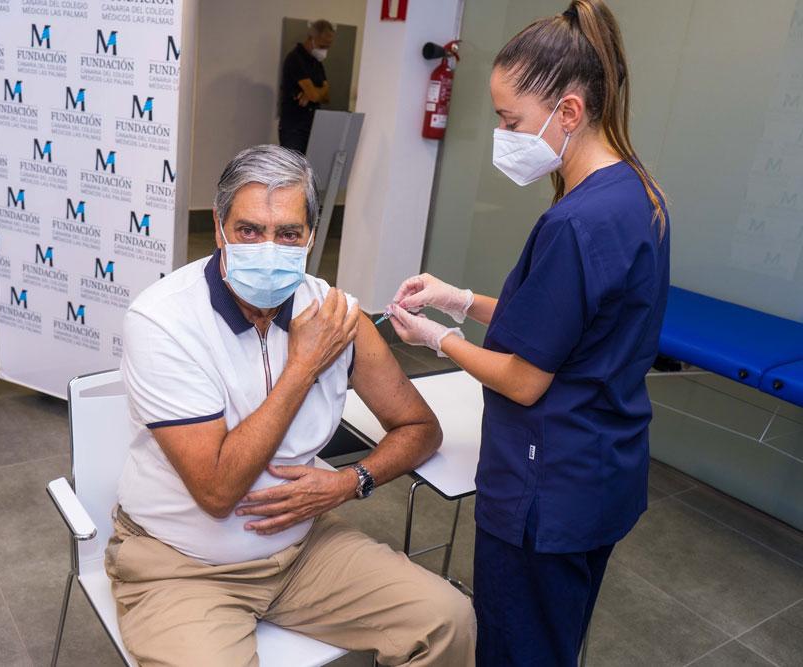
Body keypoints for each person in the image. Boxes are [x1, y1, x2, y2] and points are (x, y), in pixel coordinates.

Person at [109, 144, 474, 667]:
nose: (269, 248)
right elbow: (216, 491)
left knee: (447, 618)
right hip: (181, 564)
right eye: (249, 231)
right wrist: (302, 366)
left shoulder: (336, 315)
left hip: (303, 553)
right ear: (219, 229)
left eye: (288, 234)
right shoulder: (163, 321)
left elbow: (419, 427)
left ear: (310, 236)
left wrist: (352, 482)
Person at [387, 1, 670, 664]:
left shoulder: (576, 223)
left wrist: (437, 340)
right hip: (601, 468)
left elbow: (524, 376)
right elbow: (560, 321)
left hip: (549, 488)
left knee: (519, 649)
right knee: (553, 639)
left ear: (568, 112)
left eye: (511, 120)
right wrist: (459, 300)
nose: (503, 133)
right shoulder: (636, 192)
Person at [278, 19, 334, 154]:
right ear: (311, 39)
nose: (325, 50)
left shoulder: (317, 63)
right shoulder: (295, 59)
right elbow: (316, 95)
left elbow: (326, 96)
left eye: (328, 46)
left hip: (312, 126)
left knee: (309, 170)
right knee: (293, 170)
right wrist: (315, 93)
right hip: (294, 128)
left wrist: (312, 93)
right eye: (322, 46)